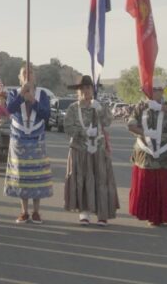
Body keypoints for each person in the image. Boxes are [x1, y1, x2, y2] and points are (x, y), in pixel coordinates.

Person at [127, 76, 167, 228]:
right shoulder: (140, 107)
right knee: (151, 187)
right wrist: (145, 133)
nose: (157, 93)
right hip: (146, 153)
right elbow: (131, 125)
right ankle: (153, 217)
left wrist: (160, 108)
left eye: (159, 90)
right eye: (153, 90)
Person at [63, 75, 119, 226]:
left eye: (88, 88)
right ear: (78, 91)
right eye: (82, 88)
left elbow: (107, 122)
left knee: (101, 180)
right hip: (80, 150)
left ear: (92, 90)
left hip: (98, 150)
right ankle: (84, 212)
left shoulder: (99, 106)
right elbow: (67, 128)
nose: (85, 91)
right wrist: (83, 132)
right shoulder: (73, 108)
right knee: (82, 181)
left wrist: (100, 109)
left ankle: (102, 214)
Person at [5, 62, 53, 224]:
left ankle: (36, 211)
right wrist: (21, 95)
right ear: (19, 78)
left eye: (30, 73)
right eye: (24, 73)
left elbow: (46, 114)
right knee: (22, 178)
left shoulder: (42, 95)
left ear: (35, 77)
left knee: (37, 177)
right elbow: (9, 110)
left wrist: (32, 100)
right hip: (19, 141)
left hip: (36, 140)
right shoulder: (13, 93)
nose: (27, 75)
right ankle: (24, 211)